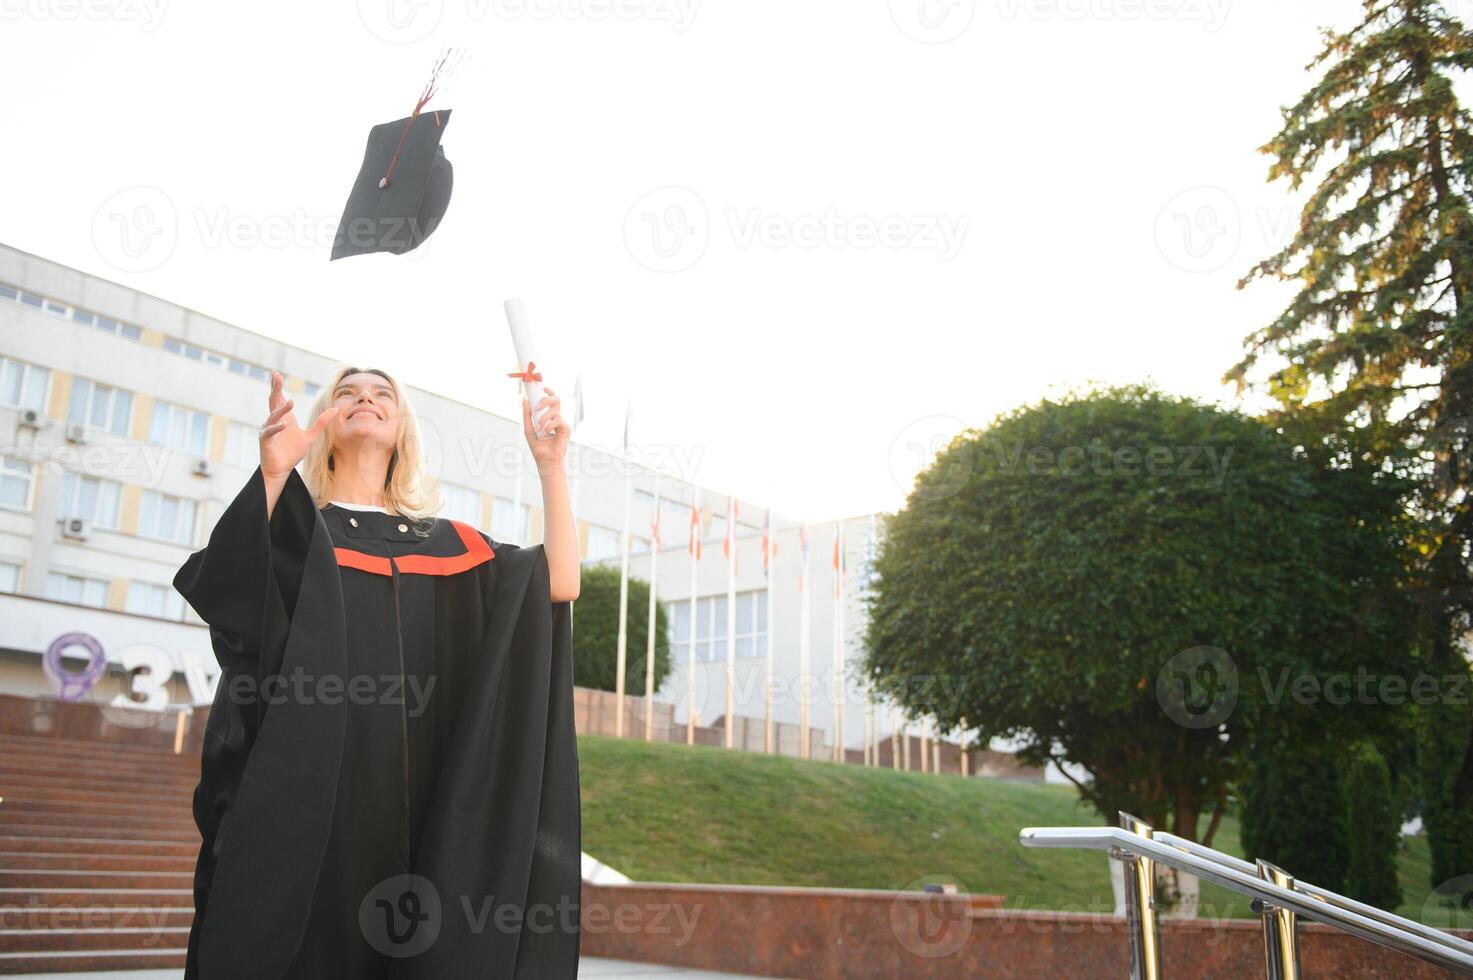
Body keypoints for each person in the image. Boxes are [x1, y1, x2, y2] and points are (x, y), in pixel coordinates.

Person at [174, 366, 581, 979]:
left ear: (403, 428)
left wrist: (550, 466)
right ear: (326, 422)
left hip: (434, 815)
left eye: (383, 392)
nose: (366, 396)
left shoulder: (456, 547)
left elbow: (559, 583)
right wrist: (274, 473)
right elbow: (229, 596)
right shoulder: (293, 532)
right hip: (320, 815)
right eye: (347, 391)